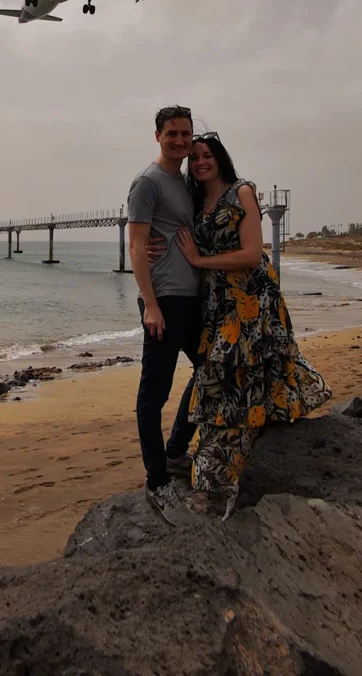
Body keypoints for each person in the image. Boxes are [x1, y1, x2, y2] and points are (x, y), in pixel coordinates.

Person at [175, 132, 332, 520]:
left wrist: (198, 262)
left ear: (220, 158)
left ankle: (224, 459)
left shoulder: (241, 192)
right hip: (218, 300)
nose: (200, 163)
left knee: (236, 368)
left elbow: (250, 253)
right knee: (222, 370)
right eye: (194, 158)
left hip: (250, 295)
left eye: (206, 155)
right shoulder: (196, 201)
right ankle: (221, 443)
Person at [127, 105, 203, 526]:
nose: (179, 140)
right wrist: (150, 303)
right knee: (152, 394)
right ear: (157, 136)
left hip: (190, 297)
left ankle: (176, 451)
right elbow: (137, 246)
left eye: (185, 134)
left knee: (209, 370)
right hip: (163, 300)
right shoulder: (147, 182)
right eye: (171, 133)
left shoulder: (186, 183)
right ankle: (157, 482)